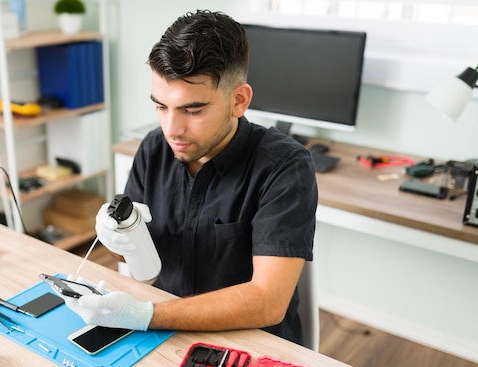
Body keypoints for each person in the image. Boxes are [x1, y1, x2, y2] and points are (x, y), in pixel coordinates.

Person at [64, 9, 317, 345]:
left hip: (250, 344)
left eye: (193, 110)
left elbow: (267, 301)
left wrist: (145, 315)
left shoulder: (284, 166)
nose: (172, 130)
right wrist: (118, 239)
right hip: (164, 333)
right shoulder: (154, 148)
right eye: (161, 106)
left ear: (238, 100)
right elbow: (137, 260)